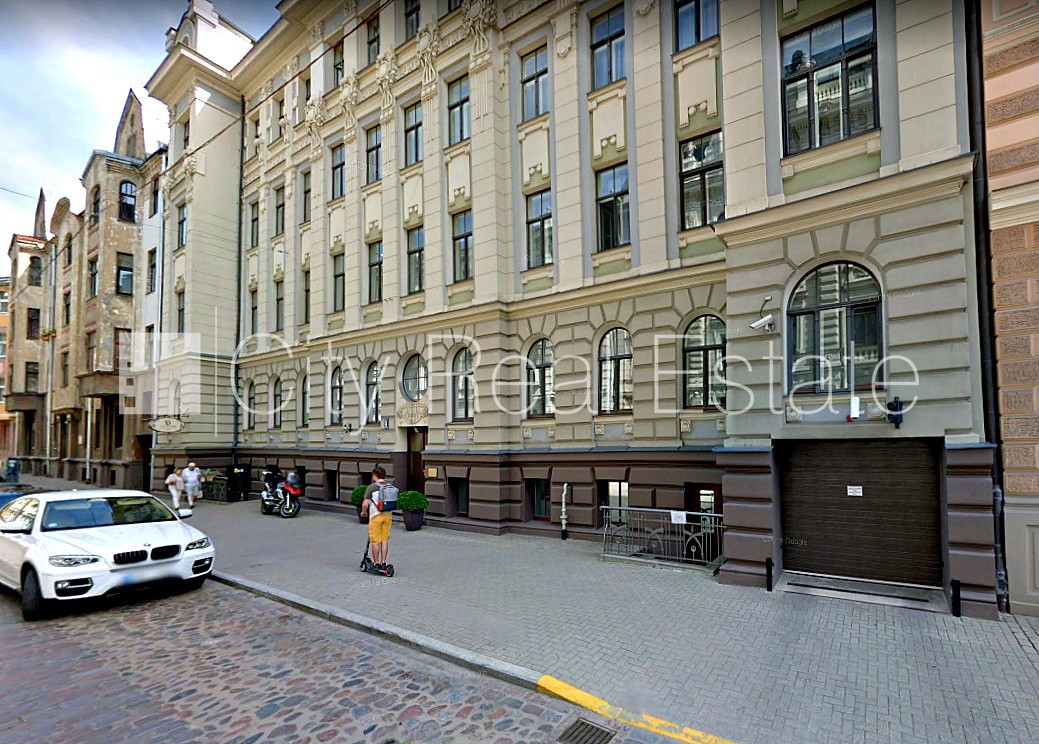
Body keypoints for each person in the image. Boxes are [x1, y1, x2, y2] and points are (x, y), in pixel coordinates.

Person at [361, 466, 393, 571]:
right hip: (387, 515)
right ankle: (383, 562)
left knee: (375, 541)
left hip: (376, 516)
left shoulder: (372, 487)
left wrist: (363, 512)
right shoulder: (389, 486)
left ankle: (375, 563)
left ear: (375, 475)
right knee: (384, 540)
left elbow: (365, 504)